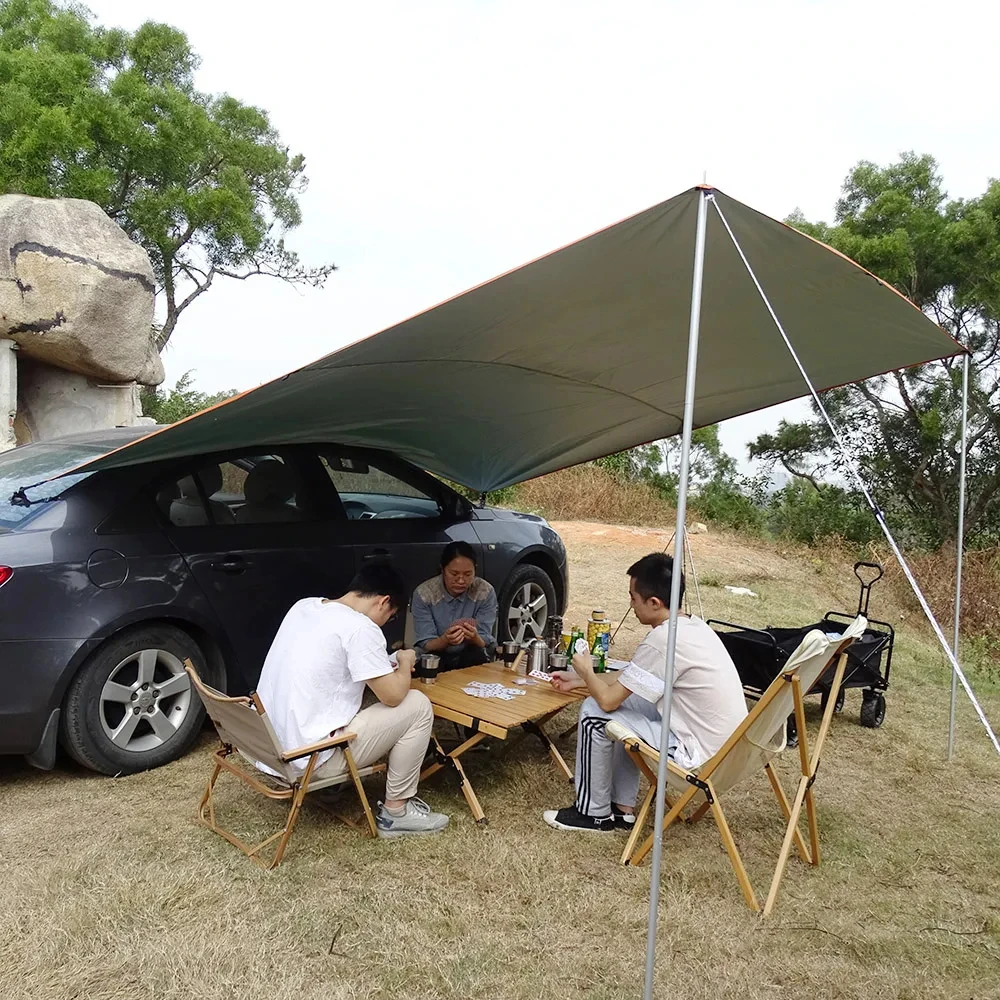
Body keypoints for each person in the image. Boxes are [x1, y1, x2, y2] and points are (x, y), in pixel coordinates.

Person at [542, 552, 747, 833]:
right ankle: (622, 808)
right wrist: (579, 680)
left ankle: (592, 814)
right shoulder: (691, 626)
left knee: (594, 711)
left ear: (654, 602)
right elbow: (632, 679)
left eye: (633, 597)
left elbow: (608, 701)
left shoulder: (664, 640)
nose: (631, 604)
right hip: (728, 752)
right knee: (631, 703)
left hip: (699, 758)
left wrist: (587, 672)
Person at [254, 563, 449, 838]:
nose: (386, 623)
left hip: (269, 748)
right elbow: (393, 696)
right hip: (308, 761)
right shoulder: (361, 628)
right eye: (391, 616)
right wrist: (405, 661)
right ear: (384, 602)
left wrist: (388, 662)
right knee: (417, 705)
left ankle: (337, 787)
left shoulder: (304, 607)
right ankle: (396, 812)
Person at [412, 541, 498, 671]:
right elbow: (426, 643)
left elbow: (484, 640)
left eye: (468, 574)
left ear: (475, 570)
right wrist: (445, 640)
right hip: (436, 653)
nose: (461, 580)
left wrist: (474, 637)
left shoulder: (485, 591)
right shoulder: (424, 593)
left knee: (476, 656)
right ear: (442, 570)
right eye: (454, 574)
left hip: (471, 652)